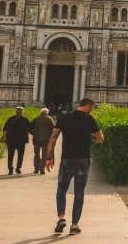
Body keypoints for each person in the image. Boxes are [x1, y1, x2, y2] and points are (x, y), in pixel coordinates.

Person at [45, 97, 104, 235]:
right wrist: (91, 135)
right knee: (79, 192)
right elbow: (100, 139)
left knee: (61, 189)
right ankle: (74, 225)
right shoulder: (89, 119)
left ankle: (61, 218)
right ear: (89, 107)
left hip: (67, 159)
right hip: (83, 160)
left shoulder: (65, 118)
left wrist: (49, 157)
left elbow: (53, 138)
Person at [2, 106, 33, 175]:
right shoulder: (25, 119)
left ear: (16, 111)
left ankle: (10, 169)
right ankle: (18, 168)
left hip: (11, 139)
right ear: (22, 112)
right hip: (21, 140)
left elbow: (5, 128)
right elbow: (31, 128)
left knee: (10, 155)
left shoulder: (10, 119)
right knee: (20, 155)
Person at [30, 107, 55, 174]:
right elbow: (54, 130)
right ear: (47, 113)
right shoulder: (50, 119)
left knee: (36, 154)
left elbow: (29, 128)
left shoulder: (36, 119)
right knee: (44, 155)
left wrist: (33, 133)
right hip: (46, 140)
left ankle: (36, 168)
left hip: (36, 139)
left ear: (41, 112)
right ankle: (42, 169)